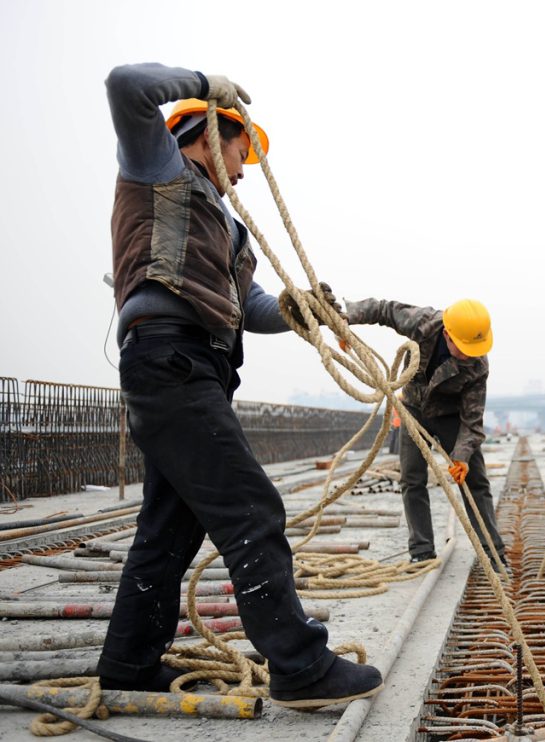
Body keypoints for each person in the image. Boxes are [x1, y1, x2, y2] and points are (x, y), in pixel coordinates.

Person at [99, 63, 382, 708]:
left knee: (168, 530)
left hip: (189, 369)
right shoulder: (158, 168)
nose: (247, 166)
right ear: (208, 131)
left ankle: (127, 663)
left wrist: (297, 306)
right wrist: (203, 80)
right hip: (171, 362)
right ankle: (300, 666)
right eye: (241, 147)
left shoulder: (224, 224)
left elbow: (247, 305)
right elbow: (125, 84)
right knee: (253, 510)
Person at [343, 297, 506, 568]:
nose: (468, 355)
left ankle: (493, 551)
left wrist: (462, 456)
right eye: (463, 349)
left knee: (475, 481)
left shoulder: (477, 364)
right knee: (412, 479)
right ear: (447, 334)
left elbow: (472, 421)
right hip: (415, 408)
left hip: (451, 417)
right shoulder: (423, 324)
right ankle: (422, 550)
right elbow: (384, 311)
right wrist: (347, 319)